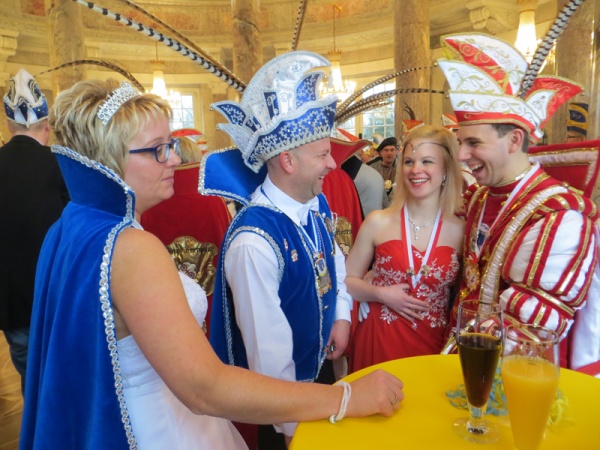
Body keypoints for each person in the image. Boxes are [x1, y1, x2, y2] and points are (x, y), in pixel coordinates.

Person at [20, 79, 404, 449]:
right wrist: (345, 397)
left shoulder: (73, 224)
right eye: (157, 149)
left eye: (170, 144)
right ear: (112, 161)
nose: (174, 157)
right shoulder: (133, 247)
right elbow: (205, 387)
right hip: (153, 426)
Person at [204, 51, 361, 449]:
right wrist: (295, 433)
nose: (332, 165)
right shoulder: (253, 242)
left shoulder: (316, 203)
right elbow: (268, 355)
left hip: (319, 381)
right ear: (288, 160)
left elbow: (336, 265)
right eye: (323, 154)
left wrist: (340, 317)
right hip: (282, 413)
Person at [437, 33, 600, 369]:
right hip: (464, 357)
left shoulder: (561, 216)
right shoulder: (481, 196)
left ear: (513, 140)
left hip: (513, 374)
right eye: (460, 143)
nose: (463, 156)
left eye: (473, 143)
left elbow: (531, 328)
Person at [345, 125, 464, 373]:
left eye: (427, 161)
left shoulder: (461, 230)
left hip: (434, 344)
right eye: (409, 161)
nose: (416, 170)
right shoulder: (378, 220)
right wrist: (379, 293)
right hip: (379, 338)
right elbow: (346, 281)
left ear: (445, 170)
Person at [0, 68, 69, 395]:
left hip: (12, 305)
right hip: (58, 295)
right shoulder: (61, 164)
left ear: (8, 125)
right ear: (46, 125)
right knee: (65, 380)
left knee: (33, 385)